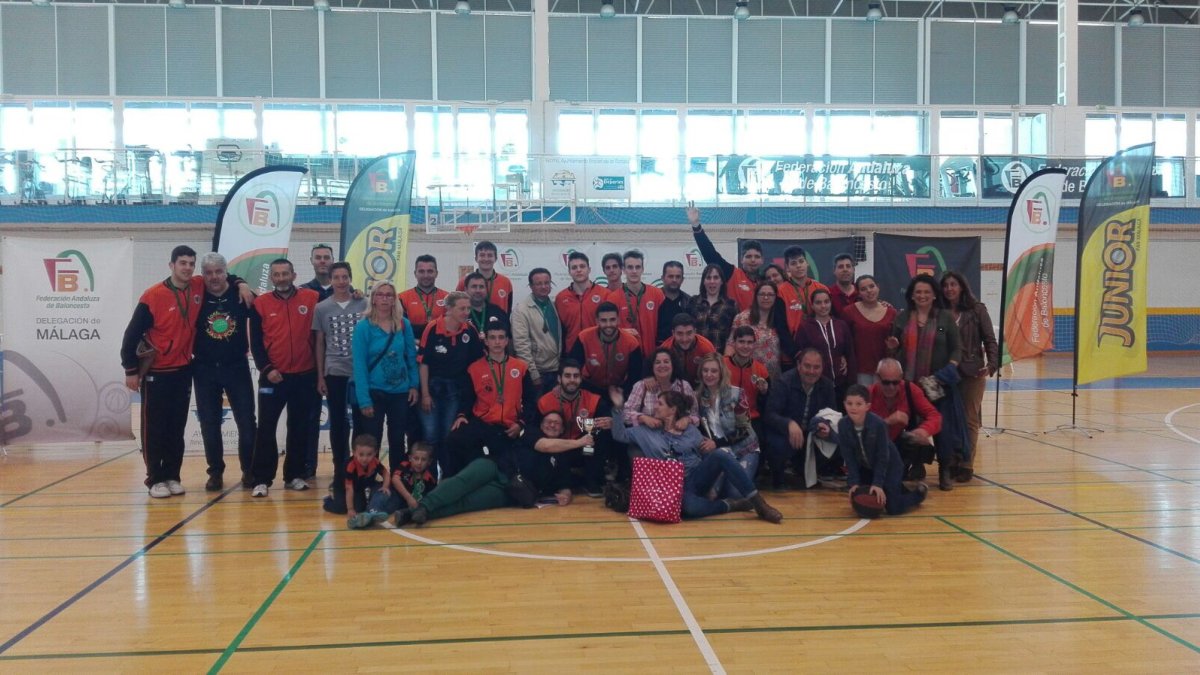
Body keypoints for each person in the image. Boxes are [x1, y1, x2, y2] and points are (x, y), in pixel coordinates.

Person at [120, 245, 251, 498]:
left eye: (191, 264)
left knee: (176, 428)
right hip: (155, 372)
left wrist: (242, 283)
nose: (188, 268)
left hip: (182, 371)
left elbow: (225, 276)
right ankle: (154, 479)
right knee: (154, 428)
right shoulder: (153, 295)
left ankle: (172, 475)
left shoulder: (198, 286)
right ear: (171, 265)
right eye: (183, 263)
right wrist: (130, 370)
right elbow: (131, 334)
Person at [610, 389, 782, 523]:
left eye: (660, 404)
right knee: (688, 508)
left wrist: (709, 445)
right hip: (670, 488)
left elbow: (706, 453)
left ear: (673, 409)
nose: (655, 407)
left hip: (695, 478)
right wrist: (618, 408)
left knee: (720, 455)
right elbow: (620, 435)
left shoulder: (690, 431)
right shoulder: (645, 431)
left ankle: (760, 504)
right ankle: (729, 505)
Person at [248, 258, 321, 498]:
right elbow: (256, 342)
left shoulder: (311, 298)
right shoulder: (260, 303)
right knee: (266, 429)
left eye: (285, 274)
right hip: (273, 377)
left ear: (294, 274)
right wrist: (267, 369)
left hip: (304, 376)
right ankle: (261, 479)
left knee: (299, 428)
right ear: (271, 278)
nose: (281, 278)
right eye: (277, 275)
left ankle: (294, 475)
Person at [885, 274, 963, 491]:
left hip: (938, 385)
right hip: (909, 385)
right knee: (911, 426)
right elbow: (893, 348)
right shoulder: (902, 318)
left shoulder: (945, 318)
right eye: (918, 292)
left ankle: (944, 471)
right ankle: (915, 466)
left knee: (942, 429)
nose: (922, 295)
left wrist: (952, 365)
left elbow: (957, 347)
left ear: (934, 295)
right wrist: (892, 346)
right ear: (911, 295)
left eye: (927, 292)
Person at [191, 252, 257, 492]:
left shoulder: (241, 295)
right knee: (209, 423)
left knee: (247, 422)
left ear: (226, 272)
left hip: (236, 367)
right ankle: (215, 472)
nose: (214, 277)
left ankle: (249, 471)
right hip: (204, 369)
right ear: (203, 275)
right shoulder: (195, 295)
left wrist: (242, 284)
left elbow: (263, 319)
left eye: (218, 271)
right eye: (208, 272)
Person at [443, 325, 538, 478]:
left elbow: (530, 401)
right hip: (483, 423)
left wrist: (521, 423)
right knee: (452, 440)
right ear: (486, 341)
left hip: (510, 426)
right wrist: (461, 415)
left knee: (514, 464)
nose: (497, 342)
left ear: (507, 341)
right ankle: (450, 483)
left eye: (501, 337)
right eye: (492, 338)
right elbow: (467, 398)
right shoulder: (474, 368)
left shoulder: (520, 368)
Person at [819, 384, 927, 517]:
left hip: (890, 466)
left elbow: (883, 456)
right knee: (863, 497)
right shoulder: (843, 425)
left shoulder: (878, 424)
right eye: (849, 403)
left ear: (867, 406)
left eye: (859, 404)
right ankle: (896, 488)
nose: (853, 407)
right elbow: (849, 457)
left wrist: (877, 484)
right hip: (866, 466)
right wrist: (853, 483)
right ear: (844, 404)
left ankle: (918, 494)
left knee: (893, 508)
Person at [567, 304, 643, 491]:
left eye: (612, 320)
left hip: (619, 391)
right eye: (603, 320)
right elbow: (573, 367)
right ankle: (593, 477)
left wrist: (620, 398)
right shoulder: (584, 337)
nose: (608, 324)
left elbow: (636, 376)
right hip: (591, 390)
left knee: (620, 430)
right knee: (593, 431)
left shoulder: (631, 342)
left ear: (618, 320)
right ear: (597, 321)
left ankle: (623, 476)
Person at [352, 280, 420, 471]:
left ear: (394, 299)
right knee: (371, 440)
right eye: (380, 294)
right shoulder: (363, 327)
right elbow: (359, 366)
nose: (384, 298)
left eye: (389, 295)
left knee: (398, 439)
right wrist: (364, 400)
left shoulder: (403, 325)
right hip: (375, 392)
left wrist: (413, 385)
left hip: (400, 392)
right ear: (373, 299)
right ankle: (369, 480)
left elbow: (410, 357)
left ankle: (397, 481)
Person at [313, 262, 368, 497]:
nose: (341, 281)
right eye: (337, 277)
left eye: (345, 277)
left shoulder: (363, 303)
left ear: (351, 278)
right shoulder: (322, 308)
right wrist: (320, 375)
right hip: (334, 371)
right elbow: (319, 342)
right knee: (338, 423)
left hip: (360, 374)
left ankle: (361, 470)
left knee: (361, 422)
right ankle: (339, 471)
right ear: (331, 280)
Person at [417, 291, 483, 476]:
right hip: (431, 389)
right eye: (462, 308)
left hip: (455, 391)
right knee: (430, 435)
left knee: (448, 435)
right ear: (449, 308)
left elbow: (477, 363)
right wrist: (425, 394)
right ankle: (427, 479)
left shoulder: (470, 330)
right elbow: (423, 363)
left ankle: (447, 477)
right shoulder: (432, 328)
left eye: (468, 308)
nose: (466, 312)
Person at [941, 270, 998, 483]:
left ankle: (966, 463)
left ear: (962, 286)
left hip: (972, 372)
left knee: (969, 419)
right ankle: (953, 460)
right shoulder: (940, 311)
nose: (949, 289)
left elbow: (990, 340)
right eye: (946, 285)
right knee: (950, 419)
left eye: (953, 284)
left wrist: (991, 365)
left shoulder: (977, 310)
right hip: (946, 372)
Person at [763, 349, 836, 490]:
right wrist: (789, 424)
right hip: (785, 433)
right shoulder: (784, 382)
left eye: (816, 367)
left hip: (811, 433)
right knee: (776, 445)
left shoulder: (827, 386)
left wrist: (825, 426)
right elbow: (770, 414)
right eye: (807, 366)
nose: (811, 371)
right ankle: (778, 478)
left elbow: (832, 414)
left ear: (822, 368)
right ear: (798, 365)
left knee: (835, 439)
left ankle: (806, 472)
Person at [695, 354, 759, 497]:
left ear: (721, 373)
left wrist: (716, 443)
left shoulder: (737, 394)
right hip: (717, 451)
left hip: (743, 449)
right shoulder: (698, 397)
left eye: (714, 371)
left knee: (735, 494)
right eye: (705, 371)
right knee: (710, 493)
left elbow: (745, 430)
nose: (709, 375)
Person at [299, 243, 337, 482]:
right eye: (318, 258)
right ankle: (307, 466)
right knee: (309, 417)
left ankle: (342, 467)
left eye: (326, 257)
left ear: (333, 260)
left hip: (338, 365)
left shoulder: (347, 291)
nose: (322, 261)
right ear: (311, 261)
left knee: (341, 420)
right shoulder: (301, 292)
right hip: (309, 367)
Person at [870, 358, 942, 482]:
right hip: (876, 446)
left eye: (896, 382)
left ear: (901, 377)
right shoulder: (869, 393)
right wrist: (887, 421)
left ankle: (922, 466)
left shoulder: (910, 390)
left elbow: (935, 416)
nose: (891, 387)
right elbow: (858, 429)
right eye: (886, 382)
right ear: (877, 378)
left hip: (899, 444)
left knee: (922, 443)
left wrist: (923, 431)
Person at [510, 411, 598, 507]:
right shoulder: (531, 432)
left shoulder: (562, 454)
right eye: (548, 422)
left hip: (526, 494)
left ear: (562, 429)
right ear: (541, 425)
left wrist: (566, 496)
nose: (552, 425)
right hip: (506, 478)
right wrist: (580, 442)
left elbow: (564, 484)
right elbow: (545, 446)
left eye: (557, 423)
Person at [686, 204, 762, 312]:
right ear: (741, 259)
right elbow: (710, 254)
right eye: (748, 256)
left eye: (757, 256)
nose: (753, 260)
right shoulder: (732, 274)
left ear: (762, 260)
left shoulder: (766, 281)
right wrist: (696, 226)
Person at [794, 288, 857, 402]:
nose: (823, 306)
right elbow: (800, 355)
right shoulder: (805, 327)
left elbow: (850, 353)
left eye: (826, 302)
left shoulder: (841, 325)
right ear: (812, 306)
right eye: (818, 303)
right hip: (817, 384)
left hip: (841, 384)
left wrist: (852, 383)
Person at [605, 250, 664, 358]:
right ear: (624, 270)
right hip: (626, 354)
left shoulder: (657, 294)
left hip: (652, 355)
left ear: (643, 269)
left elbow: (664, 325)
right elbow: (608, 327)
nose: (634, 271)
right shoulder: (613, 297)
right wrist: (622, 331)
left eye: (637, 267)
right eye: (630, 267)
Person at [511, 267, 562, 393]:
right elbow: (521, 346)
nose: (544, 286)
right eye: (539, 283)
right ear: (531, 286)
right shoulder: (521, 310)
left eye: (547, 283)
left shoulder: (555, 304)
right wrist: (533, 374)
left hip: (556, 369)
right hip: (538, 373)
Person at [729, 280, 792, 379]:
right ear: (756, 296)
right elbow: (731, 346)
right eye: (762, 294)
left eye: (770, 294)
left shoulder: (779, 320)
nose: (766, 297)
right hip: (748, 375)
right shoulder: (742, 318)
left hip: (773, 378)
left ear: (775, 297)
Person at [842, 274, 897, 386]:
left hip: (884, 370)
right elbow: (843, 340)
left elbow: (895, 343)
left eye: (872, 286)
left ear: (878, 287)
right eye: (863, 289)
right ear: (858, 292)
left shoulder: (892, 312)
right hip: (859, 370)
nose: (869, 291)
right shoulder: (849, 312)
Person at [361, 441, 438, 518]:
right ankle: (372, 511)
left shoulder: (429, 479)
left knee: (390, 508)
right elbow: (395, 479)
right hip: (391, 492)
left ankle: (371, 516)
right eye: (416, 458)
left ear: (429, 462)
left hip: (400, 503)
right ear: (410, 458)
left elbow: (429, 498)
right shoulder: (405, 466)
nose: (419, 462)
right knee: (382, 493)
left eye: (423, 460)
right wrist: (409, 498)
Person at [624, 348, 698, 427]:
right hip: (648, 436)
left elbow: (696, 417)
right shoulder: (641, 386)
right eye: (657, 362)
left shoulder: (684, 386)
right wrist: (643, 418)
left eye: (666, 362)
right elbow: (625, 414)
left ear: (673, 365)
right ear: (652, 366)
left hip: (678, 436)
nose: (662, 365)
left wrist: (687, 419)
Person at [555, 251, 608, 356]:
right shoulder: (561, 298)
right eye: (574, 267)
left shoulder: (605, 294)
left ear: (589, 270)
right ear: (569, 272)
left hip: (600, 351)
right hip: (571, 353)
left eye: (582, 266)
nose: (578, 270)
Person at [724, 326, 771, 440]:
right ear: (734, 343)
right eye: (741, 342)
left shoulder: (761, 370)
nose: (745, 346)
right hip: (724, 417)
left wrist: (764, 392)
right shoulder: (722, 365)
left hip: (751, 419)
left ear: (754, 345)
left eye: (749, 342)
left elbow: (767, 404)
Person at [341, 434, 391, 529]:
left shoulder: (375, 462)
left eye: (369, 455)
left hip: (367, 486)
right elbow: (349, 488)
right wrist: (350, 509)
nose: (365, 458)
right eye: (361, 455)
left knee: (382, 491)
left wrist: (385, 486)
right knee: (356, 508)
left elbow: (385, 473)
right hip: (353, 489)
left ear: (375, 453)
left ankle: (372, 512)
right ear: (354, 453)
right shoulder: (350, 466)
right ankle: (330, 498)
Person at [688, 263, 738, 353]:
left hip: (719, 359)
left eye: (716, 278)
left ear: (722, 281)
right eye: (708, 278)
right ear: (703, 281)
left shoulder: (731, 305)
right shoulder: (693, 302)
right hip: (695, 357)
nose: (712, 281)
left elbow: (733, 336)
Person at [779, 245, 829, 336]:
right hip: (794, 343)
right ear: (787, 267)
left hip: (820, 339)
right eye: (793, 263)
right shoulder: (781, 291)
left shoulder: (822, 288)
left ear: (807, 263)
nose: (798, 266)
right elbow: (780, 324)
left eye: (801, 261)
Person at [455, 240, 514, 315]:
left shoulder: (506, 282)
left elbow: (508, 311)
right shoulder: (464, 282)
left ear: (495, 258)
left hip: (498, 325)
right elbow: (456, 307)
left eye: (490, 255)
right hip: (471, 325)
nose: (486, 259)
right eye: (482, 255)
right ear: (476, 258)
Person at [398, 254, 448, 340]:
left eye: (430, 271)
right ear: (415, 273)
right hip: (413, 346)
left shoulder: (447, 297)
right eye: (421, 271)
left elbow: (451, 325)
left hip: (441, 346)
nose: (426, 275)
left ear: (436, 273)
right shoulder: (402, 298)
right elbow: (401, 327)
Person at [659, 313, 717, 384]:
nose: (684, 339)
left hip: (701, 386)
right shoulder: (665, 349)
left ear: (695, 331)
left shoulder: (707, 348)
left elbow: (717, 371)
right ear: (673, 333)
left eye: (689, 333)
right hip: (674, 386)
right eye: (680, 333)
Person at [656, 261, 691, 344]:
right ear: (662, 278)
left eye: (678, 277)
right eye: (670, 276)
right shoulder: (653, 299)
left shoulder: (689, 301)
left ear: (682, 279)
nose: (674, 280)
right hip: (658, 349)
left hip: (681, 348)